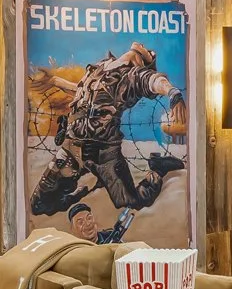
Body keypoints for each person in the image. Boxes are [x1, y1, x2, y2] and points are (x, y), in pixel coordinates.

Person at [30, 42, 185, 243]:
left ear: (140, 62)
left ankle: (158, 169)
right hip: (71, 149)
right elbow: (81, 92)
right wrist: (54, 81)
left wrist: (173, 93)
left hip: (104, 155)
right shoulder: (98, 69)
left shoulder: (132, 76)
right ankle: (83, 189)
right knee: (38, 204)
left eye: (143, 54)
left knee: (131, 201)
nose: (138, 49)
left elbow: (155, 81)